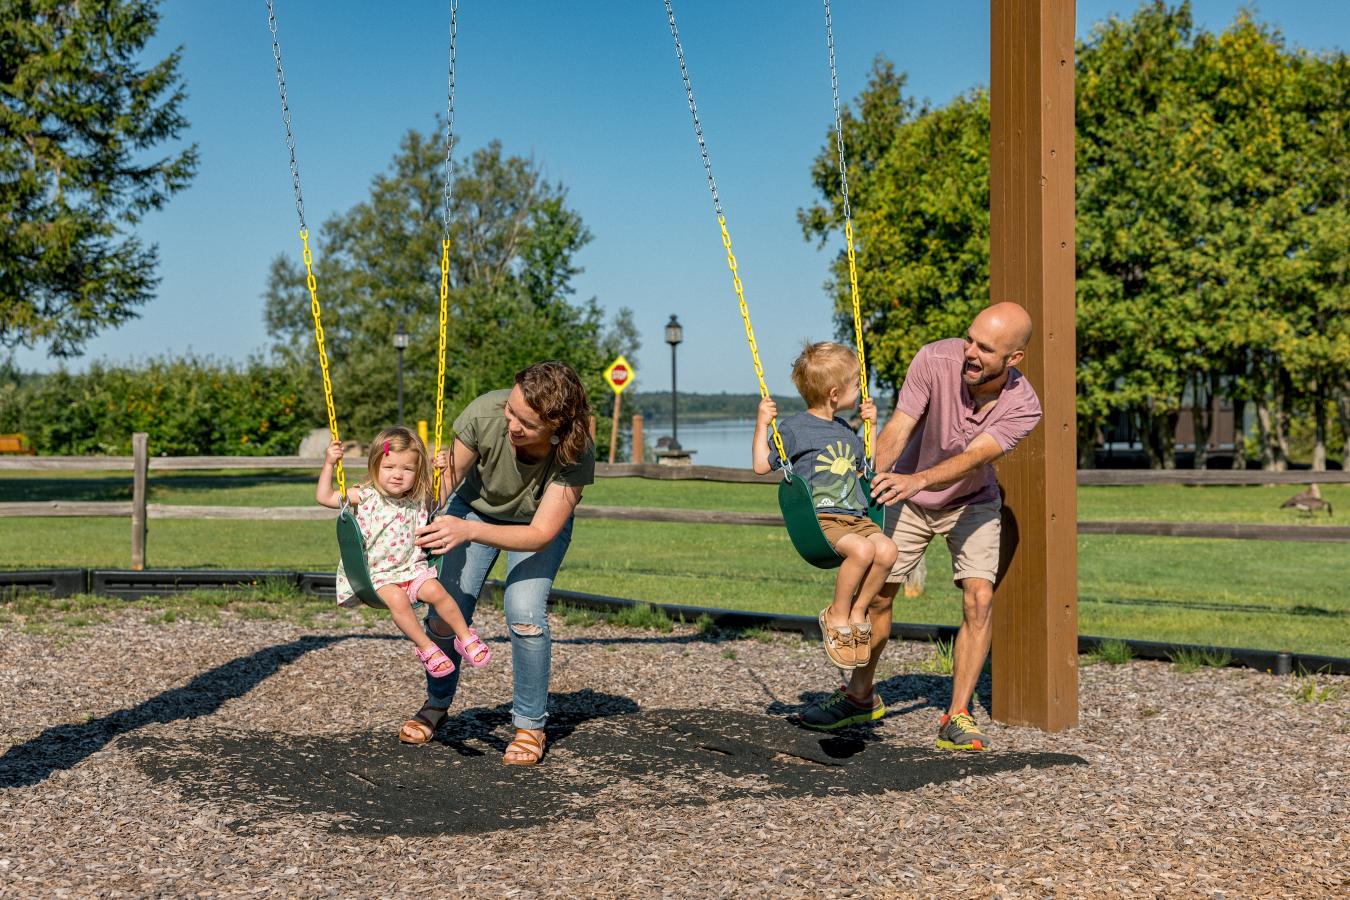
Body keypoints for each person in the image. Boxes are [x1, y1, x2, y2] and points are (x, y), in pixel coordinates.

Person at [799, 302, 1042, 752]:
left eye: (985, 349)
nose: (969, 351)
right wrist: (869, 476)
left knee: (979, 598)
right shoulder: (935, 359)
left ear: (1014, 359)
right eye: (970, 338)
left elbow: (976, 457)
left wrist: (918, 479)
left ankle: (958, 714)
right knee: (879, 599)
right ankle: (859, 696)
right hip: (906, 495)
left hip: (971, 500)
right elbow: (900, 426)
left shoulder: (1024, 407)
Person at [403, 360, 595, 767]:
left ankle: (529, 725)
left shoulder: (575, 453)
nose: (511, 424)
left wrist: (468, 533)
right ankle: (437, 703)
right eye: (510, 409)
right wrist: (429, 487)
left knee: (524, 613)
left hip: (535, 522)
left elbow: (540, 534)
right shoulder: (486, 412)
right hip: (471, 509)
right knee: (444, 610)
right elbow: (446, 484)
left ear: (556, 427)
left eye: (525, 421)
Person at [752, 342, 896, 670]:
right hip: (823, 521)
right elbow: (762, 465)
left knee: (887, 551)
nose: (860, 389)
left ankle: (859, 610)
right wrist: (762, 423)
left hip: (856, 517)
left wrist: (873, 426)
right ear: (835, 393)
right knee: (861, 552)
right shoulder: (793, 429)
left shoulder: (845, 429)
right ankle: (837, 614)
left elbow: (866, 468)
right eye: (856, 384)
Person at [316, 428, 492, 677]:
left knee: (438, 592)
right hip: (378, 576)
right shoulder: (365, 496)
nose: (397, 475)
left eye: (407, 469)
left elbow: (439, 499)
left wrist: (440, 470)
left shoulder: (419, 499)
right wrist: (329, 464)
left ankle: (465, 638)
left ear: (417, 471)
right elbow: (324, 497)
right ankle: (427, 648)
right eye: (389, 467)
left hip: (413, 569)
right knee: (398, 600)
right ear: (375, 465)